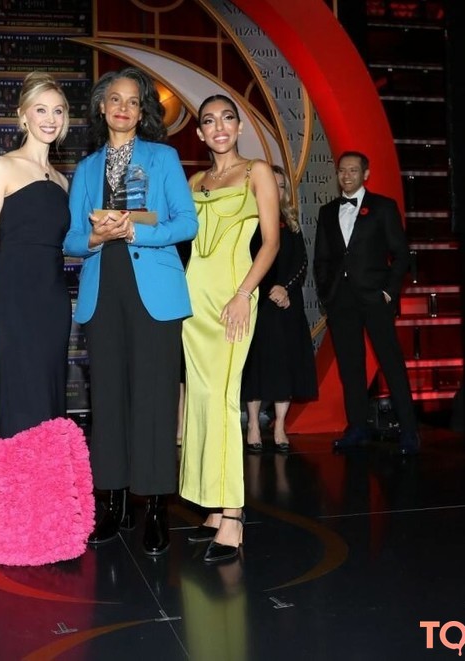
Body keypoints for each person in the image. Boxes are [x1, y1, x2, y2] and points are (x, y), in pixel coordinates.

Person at [63, 67, 198, 556]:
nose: (123, 107)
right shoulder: (85, 168)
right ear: (101, 108)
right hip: (104, 288)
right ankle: (113, 502)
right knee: (109, 399)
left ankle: (157, 506)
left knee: (155, 398)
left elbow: (187, 224)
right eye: (115, 99)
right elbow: (70, 239)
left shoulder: (163, 157)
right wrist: (96, 237)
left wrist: (138, 231)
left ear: (143, 113)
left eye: (133, 101)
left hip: (154, 290)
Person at [180, 94, 279, 564]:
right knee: (201, 400)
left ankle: (234, 516)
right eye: (209, 121)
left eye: (227, 119)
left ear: (238, 127)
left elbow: (271, 243)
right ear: (200, 132)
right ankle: (214, 507)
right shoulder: (194, 181)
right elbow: (175, 231)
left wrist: (243, 294)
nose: (219, 127)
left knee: (222, 399)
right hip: (193, 302)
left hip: (233, 299)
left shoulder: (257, 171)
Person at [0, 72, 71, 438]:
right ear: (23, 115)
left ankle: (49, 473)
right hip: (12, 297)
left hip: (53, 300)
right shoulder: (1, 167)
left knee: (50, 394)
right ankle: (17, 474)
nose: (50, 118)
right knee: (20, 395)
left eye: (58, 111)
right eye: (40, 109)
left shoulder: (62, 182)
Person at [313, 151, 418, 454]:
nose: (346, 176)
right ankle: (357, 427)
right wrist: (327, 293)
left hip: (375, 298)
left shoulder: (383, 207)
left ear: (365, 174)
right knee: (350, 367)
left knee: (391, 363)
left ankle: (409, 430)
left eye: (353, 170)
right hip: (341, 300)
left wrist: (389, 292)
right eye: (342, 171)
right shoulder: (327, 211)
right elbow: (322, 258)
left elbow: (401, 254)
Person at [242, 165, 319, 454]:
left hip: (287, 303)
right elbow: (243, 259)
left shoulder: (291, 221)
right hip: (255, 300)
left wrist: (285, 288)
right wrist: (264, 289)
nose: (277, 190)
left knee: (285, 365)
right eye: (271, 184)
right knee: (255, 365)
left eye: (282, 186)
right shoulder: (247, 220)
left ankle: (279, 427)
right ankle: (252, 425)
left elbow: (301, 261)